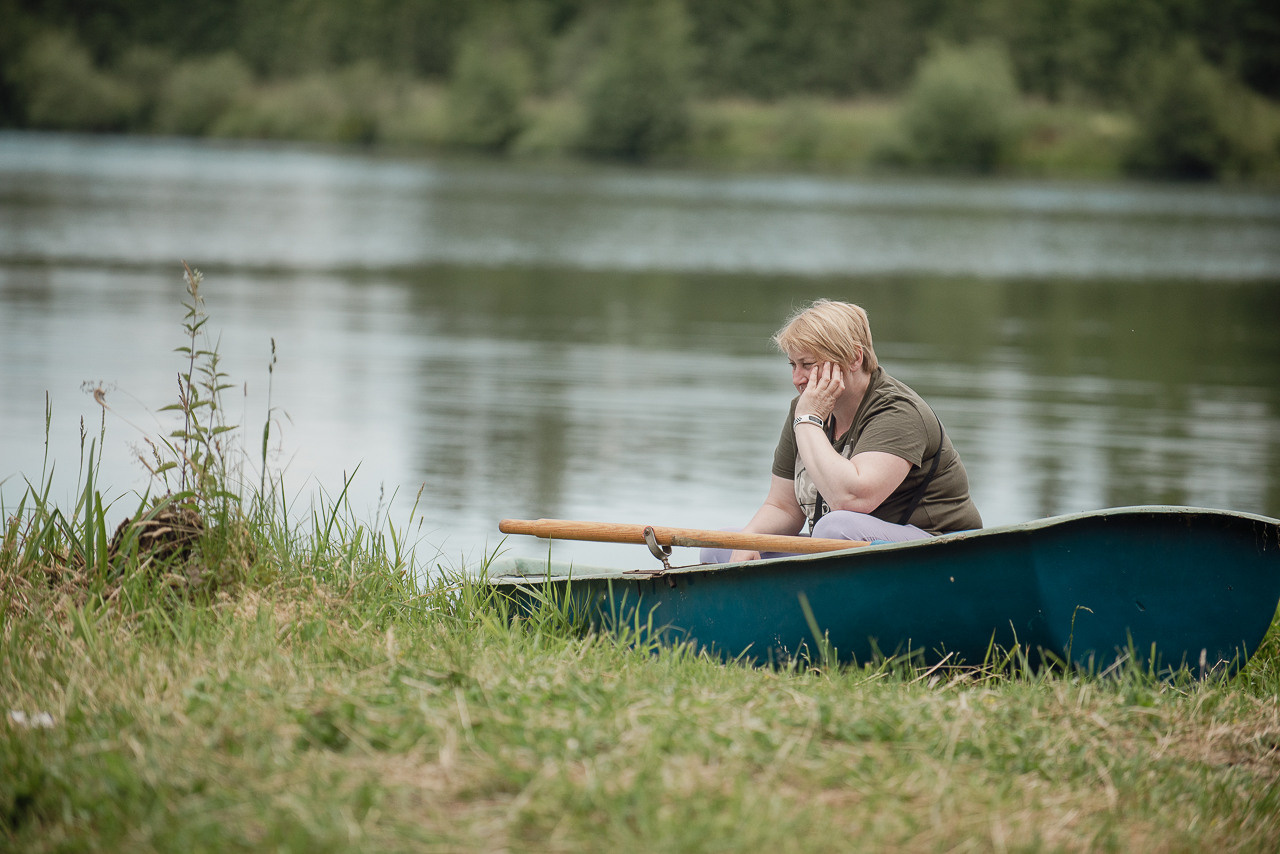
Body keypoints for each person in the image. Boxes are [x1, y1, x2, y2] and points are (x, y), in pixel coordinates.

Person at [702, 299, 981, 563]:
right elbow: (783, 507)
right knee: (721, 546)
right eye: (793, 365)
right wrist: (747, 541)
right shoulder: (804, 409)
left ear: (854, 358)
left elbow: (852, 500)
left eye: (808, 365)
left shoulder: (898, 411)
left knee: (835, 528)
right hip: (851, 552)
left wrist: (808, 421)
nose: (797, 379)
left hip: (944, 552)